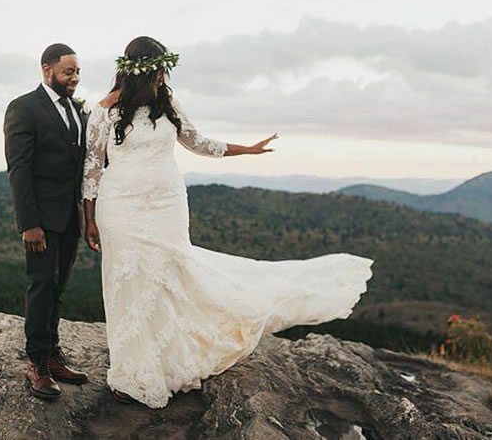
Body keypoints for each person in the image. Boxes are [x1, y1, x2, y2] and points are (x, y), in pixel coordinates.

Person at [82, 36, 374, 408]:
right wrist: (88, 219)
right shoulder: (105, 110)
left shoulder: (167, 103)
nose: (162, 77)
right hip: (120, 206)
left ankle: (166, 364)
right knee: (128, 281)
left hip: (167, 205)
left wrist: (247, 149)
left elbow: (198, 142)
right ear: (142, 71)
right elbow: (91, 167)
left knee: (170, 277)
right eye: (158, 71)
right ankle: (132, 371)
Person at [3, 43, 89, 400]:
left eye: (78, 72)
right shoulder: (24, 108)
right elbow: (19, 169)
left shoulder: (76, 109)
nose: (75, 78)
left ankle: (53, 356)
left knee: (58, 288)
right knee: (41, 286)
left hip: (70, 217)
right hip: (40, 219)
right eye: (68, 71)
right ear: (46, 69)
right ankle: (36, 363)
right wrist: (29, 224)